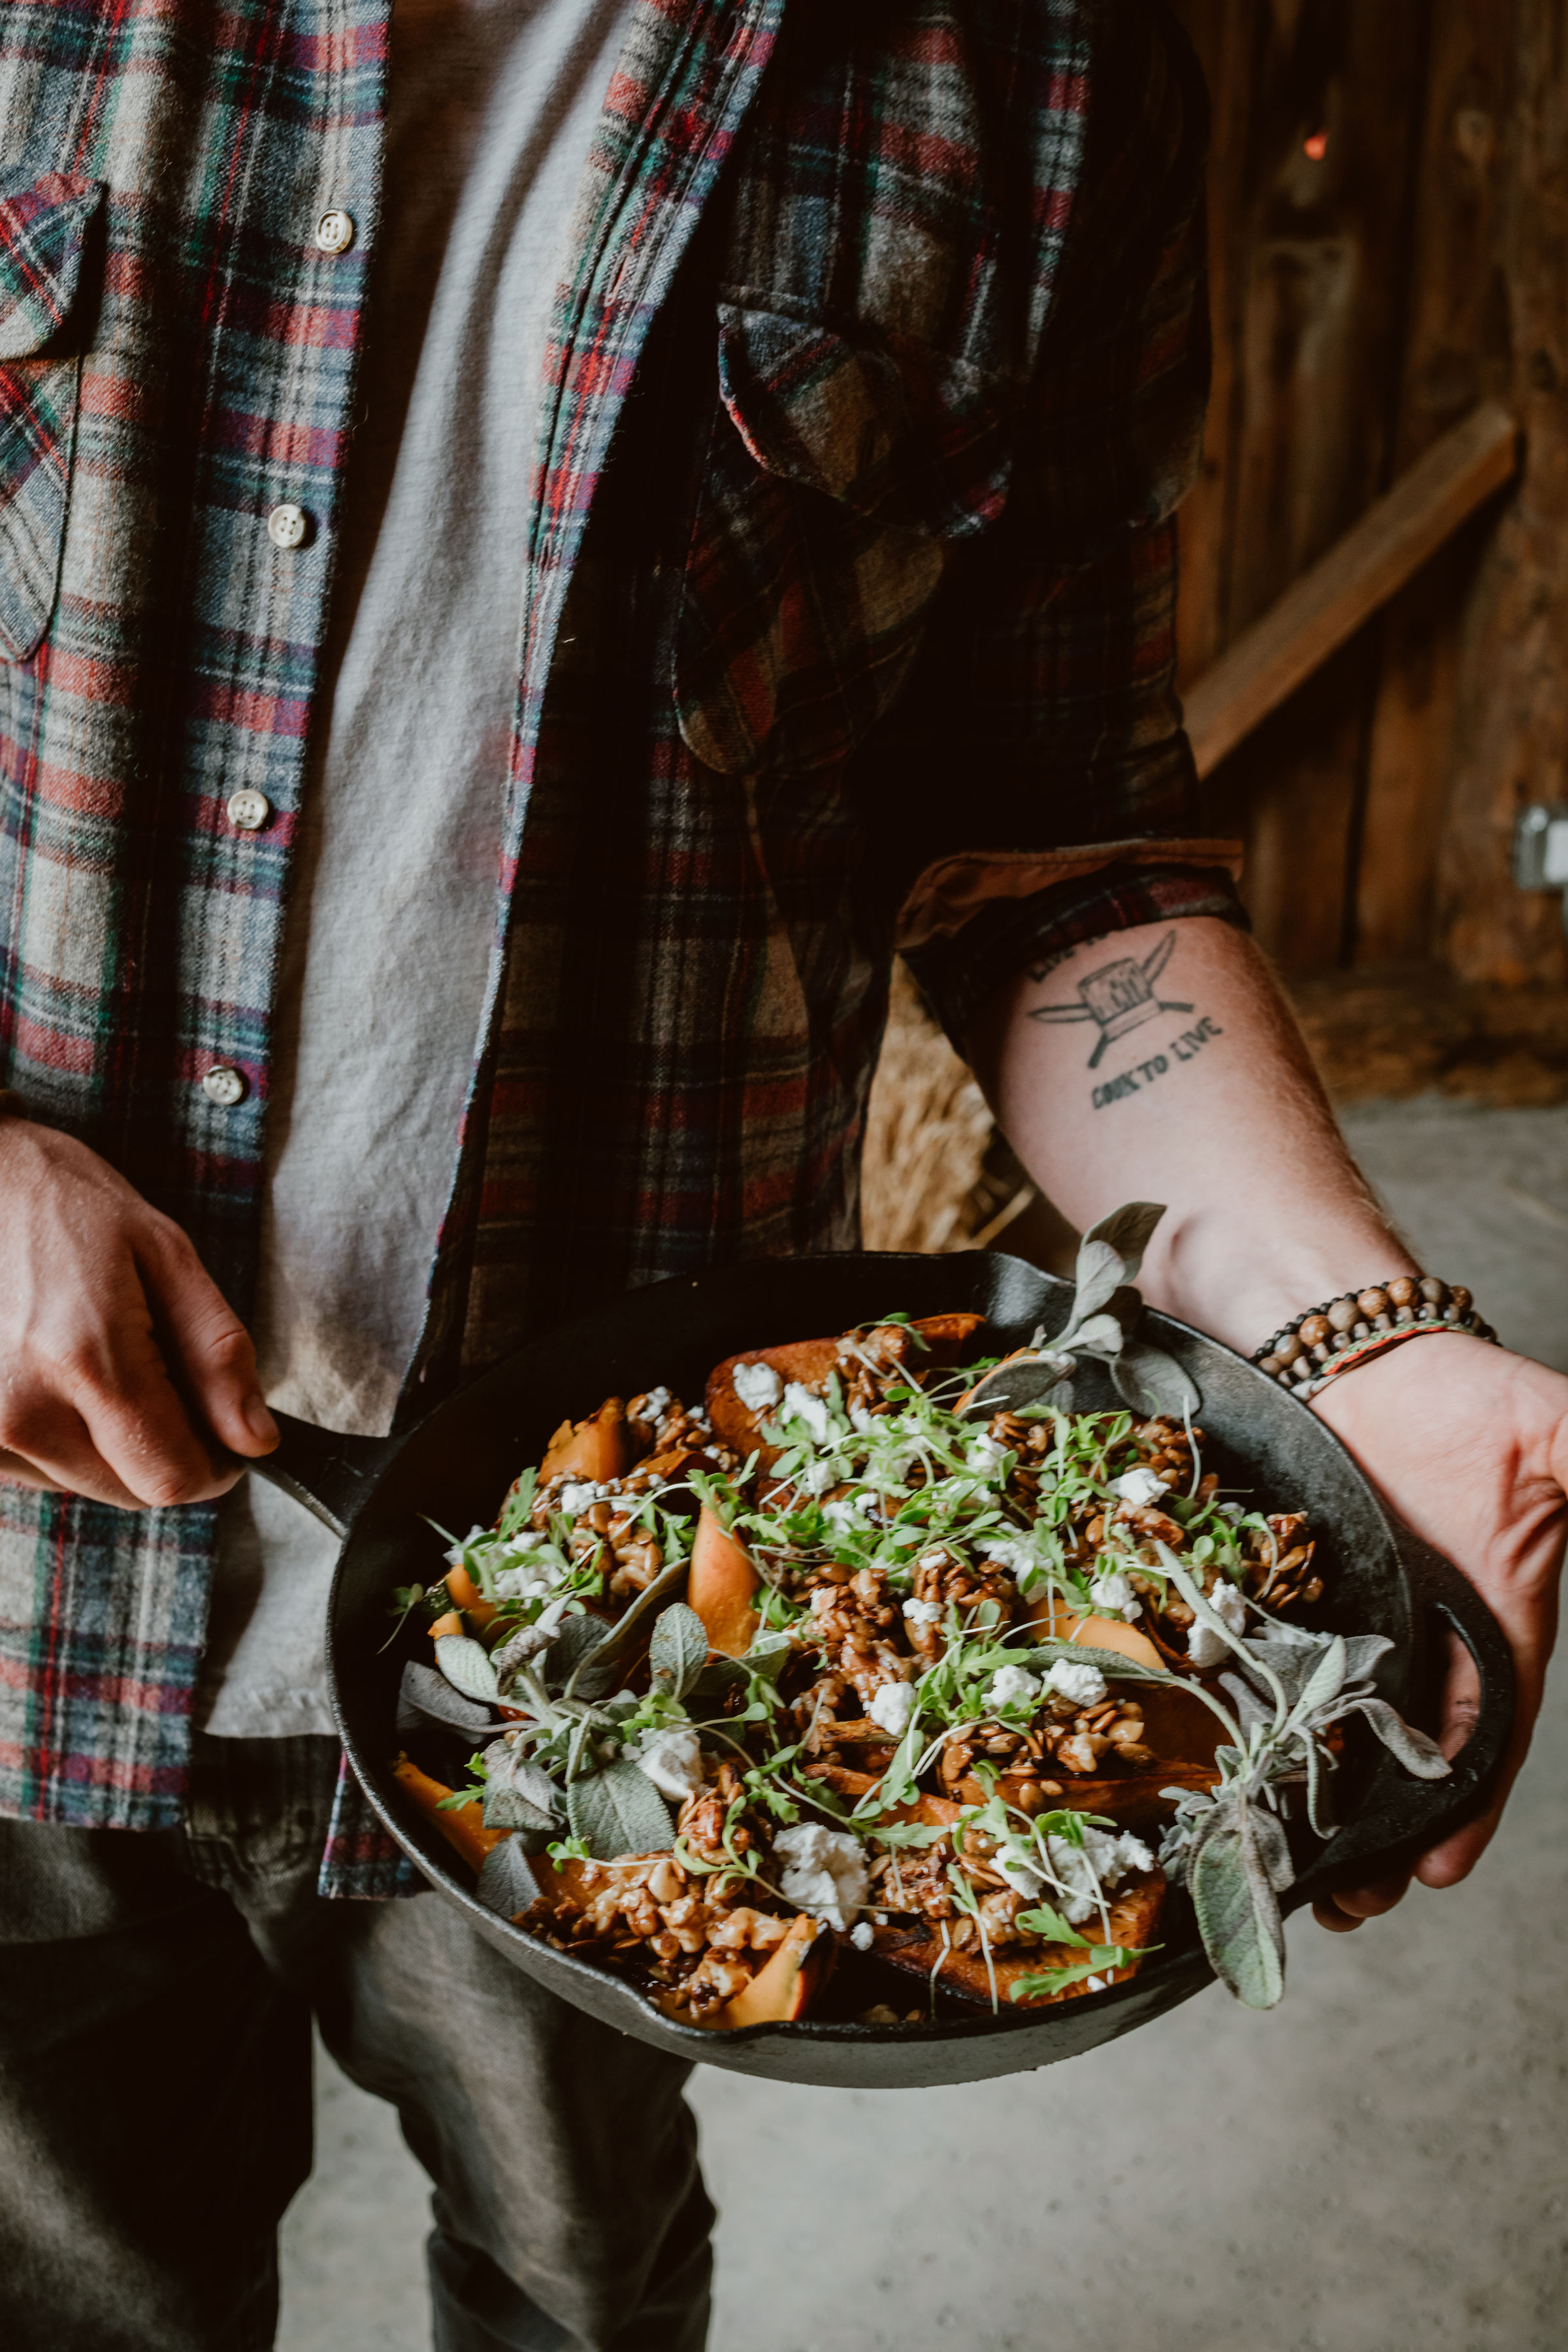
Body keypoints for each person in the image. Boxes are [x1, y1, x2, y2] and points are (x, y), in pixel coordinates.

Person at [0, 0, 1561, 2345]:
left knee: (578, 2272)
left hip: (656, 1633)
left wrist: (1371, 1339)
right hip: (15, 1606)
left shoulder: (1044, 76)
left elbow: (1056, 861)